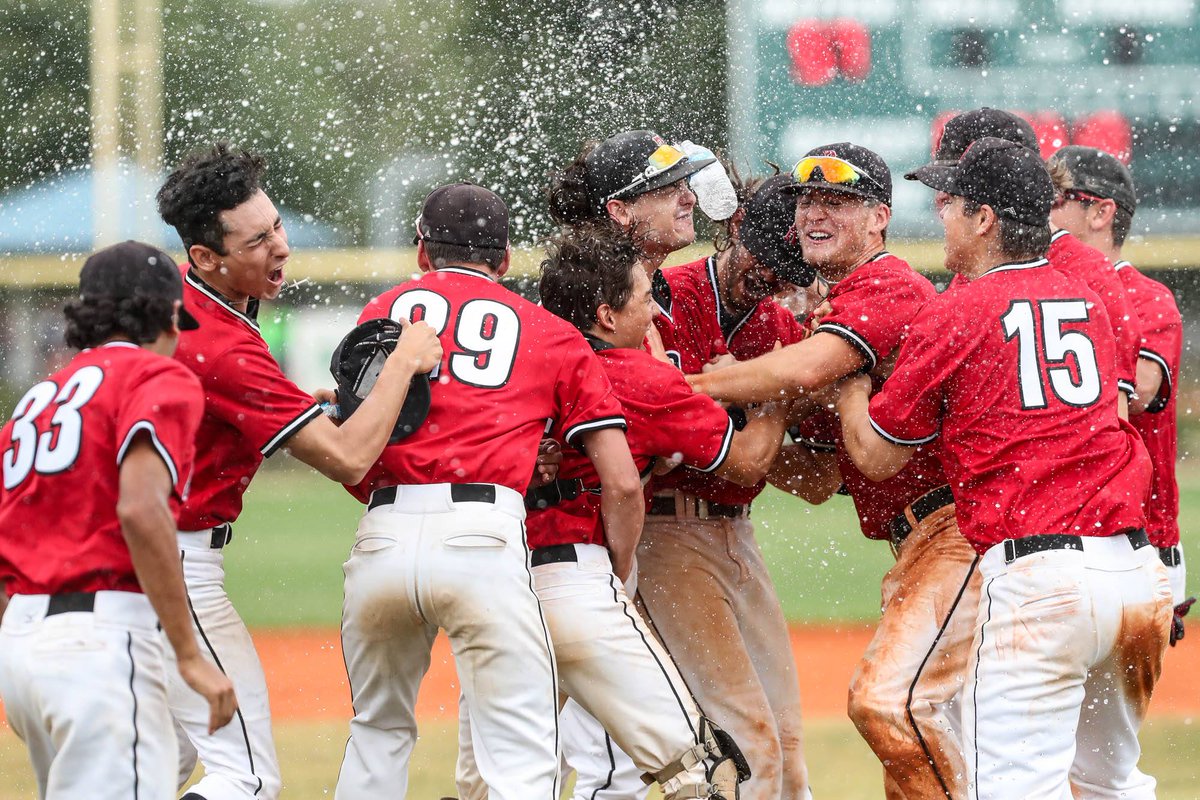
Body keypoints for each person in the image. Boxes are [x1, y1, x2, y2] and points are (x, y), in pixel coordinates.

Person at [838, 137, 1172, 799]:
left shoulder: (955, 312)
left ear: (985, 218)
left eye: (953, 204)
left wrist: (848, 384)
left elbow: (877, 456)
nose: (944, 217)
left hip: (1043, 577)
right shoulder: (1091, 299)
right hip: (1137, 572)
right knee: (1110, 785)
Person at [335, 183, 643, 800]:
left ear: (422, 252)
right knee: (519, 754)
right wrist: (619, 566)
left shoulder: (381, 311)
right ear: (504, 259)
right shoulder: (552, 332)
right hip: (485, 537)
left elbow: (355, 449)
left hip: (383, 533)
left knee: (377, 731)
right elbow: (622, 480)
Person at [686, 146, 974, 799]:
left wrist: (688, 390)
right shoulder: (830, 308)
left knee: (890, 707)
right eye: (806, 200)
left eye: (838, 201)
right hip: (920, 544)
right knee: (925, 735)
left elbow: (807, 369)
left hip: (957, 534)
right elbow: (817, 478)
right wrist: (736, 425)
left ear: (879, 217)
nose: (816, 211)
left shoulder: (888, 284)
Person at [156, 143, 442, 800]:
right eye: (257, 240)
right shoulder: (227, 347)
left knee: (151, 769)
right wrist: (402, 362)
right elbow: (346, 458)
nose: (280, 246)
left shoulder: (170, 297)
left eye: (277, 225)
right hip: (172, 567)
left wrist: (285, 412)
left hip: (113, 566)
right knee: (245, 777)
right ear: (205, 257)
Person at [0, 241, 237, 798]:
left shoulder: (39, 398)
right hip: (100, 640)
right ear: (169, 313)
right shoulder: (157, 377)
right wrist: (188, 655)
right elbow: (140, 508)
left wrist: (22, 658)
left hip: (23, 640)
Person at [635, 172, 838, 800]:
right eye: (766, 258)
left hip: (736, 534)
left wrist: (754, 408)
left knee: (787, 742)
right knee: (747, 740)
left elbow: (817, 480)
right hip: (664, 530)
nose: (773, 279)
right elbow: (662, 448)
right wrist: (764, 405)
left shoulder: (786, 332)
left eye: (789, 271)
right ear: (735, 225)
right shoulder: (660, 296)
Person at [1046, 145, 1193, 642]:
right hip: (1063, 534)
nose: (1044, 207)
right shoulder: (1044, 289)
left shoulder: (1147, 297)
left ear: (1101, 211)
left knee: (1108, 720)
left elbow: (1141, 392)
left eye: (1057, 196)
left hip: (1142, 540)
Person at [548, 128, 714, 367]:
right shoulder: (592, 308)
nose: (690, 198)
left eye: (685, 184)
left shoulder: (656, 291)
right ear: (621, 211)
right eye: (669, 188)